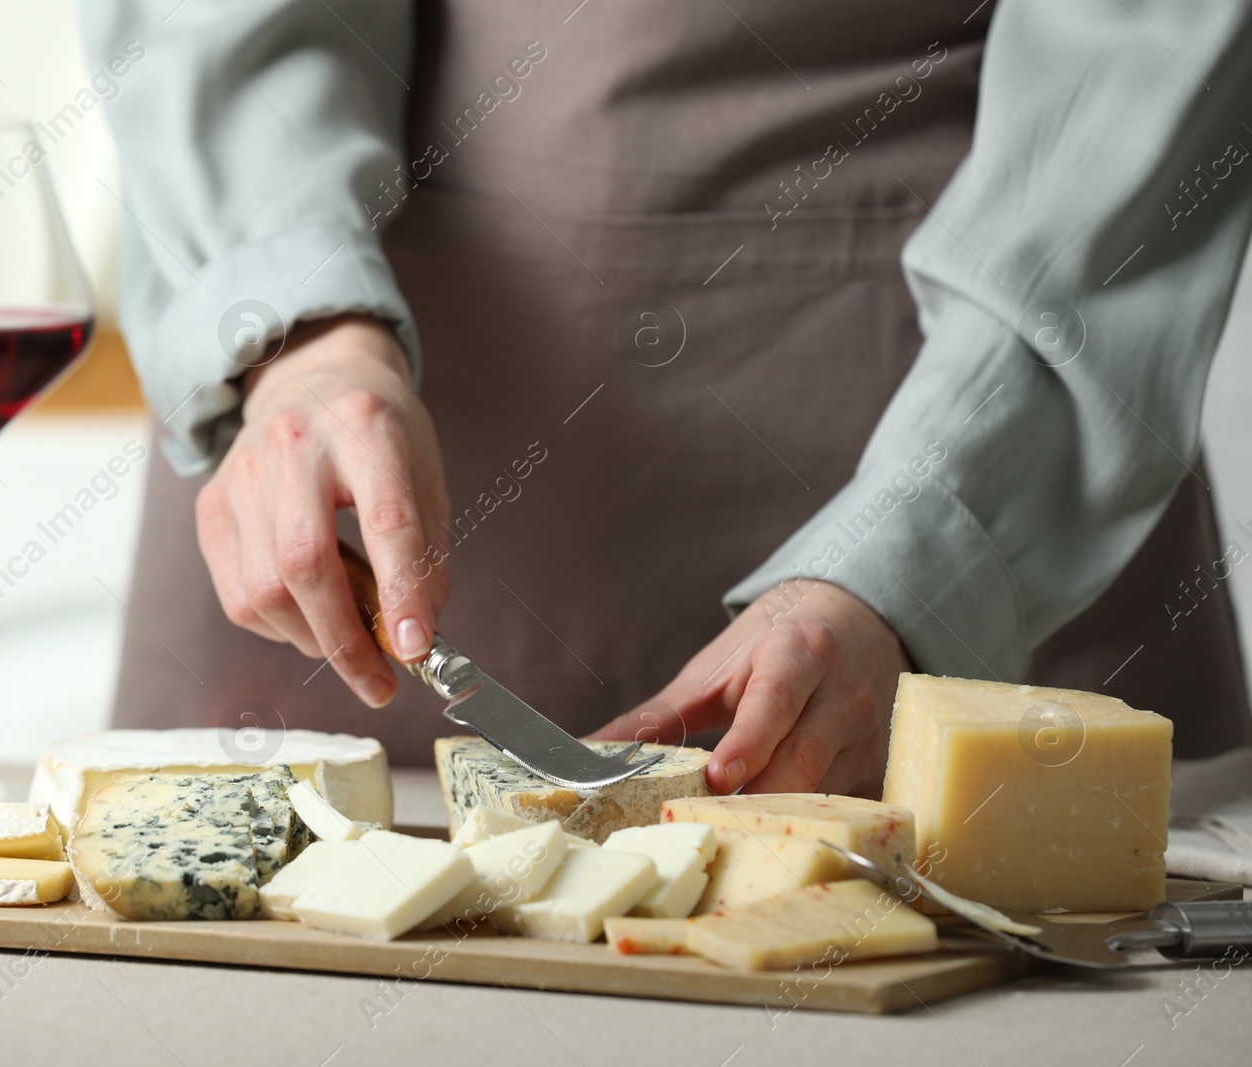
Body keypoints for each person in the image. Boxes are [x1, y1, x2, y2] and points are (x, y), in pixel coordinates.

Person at [81, 0, 1252, 797]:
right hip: (329, 468)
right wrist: (299, 334)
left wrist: (930, 553)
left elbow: (1149, 54)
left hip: (995, 514)